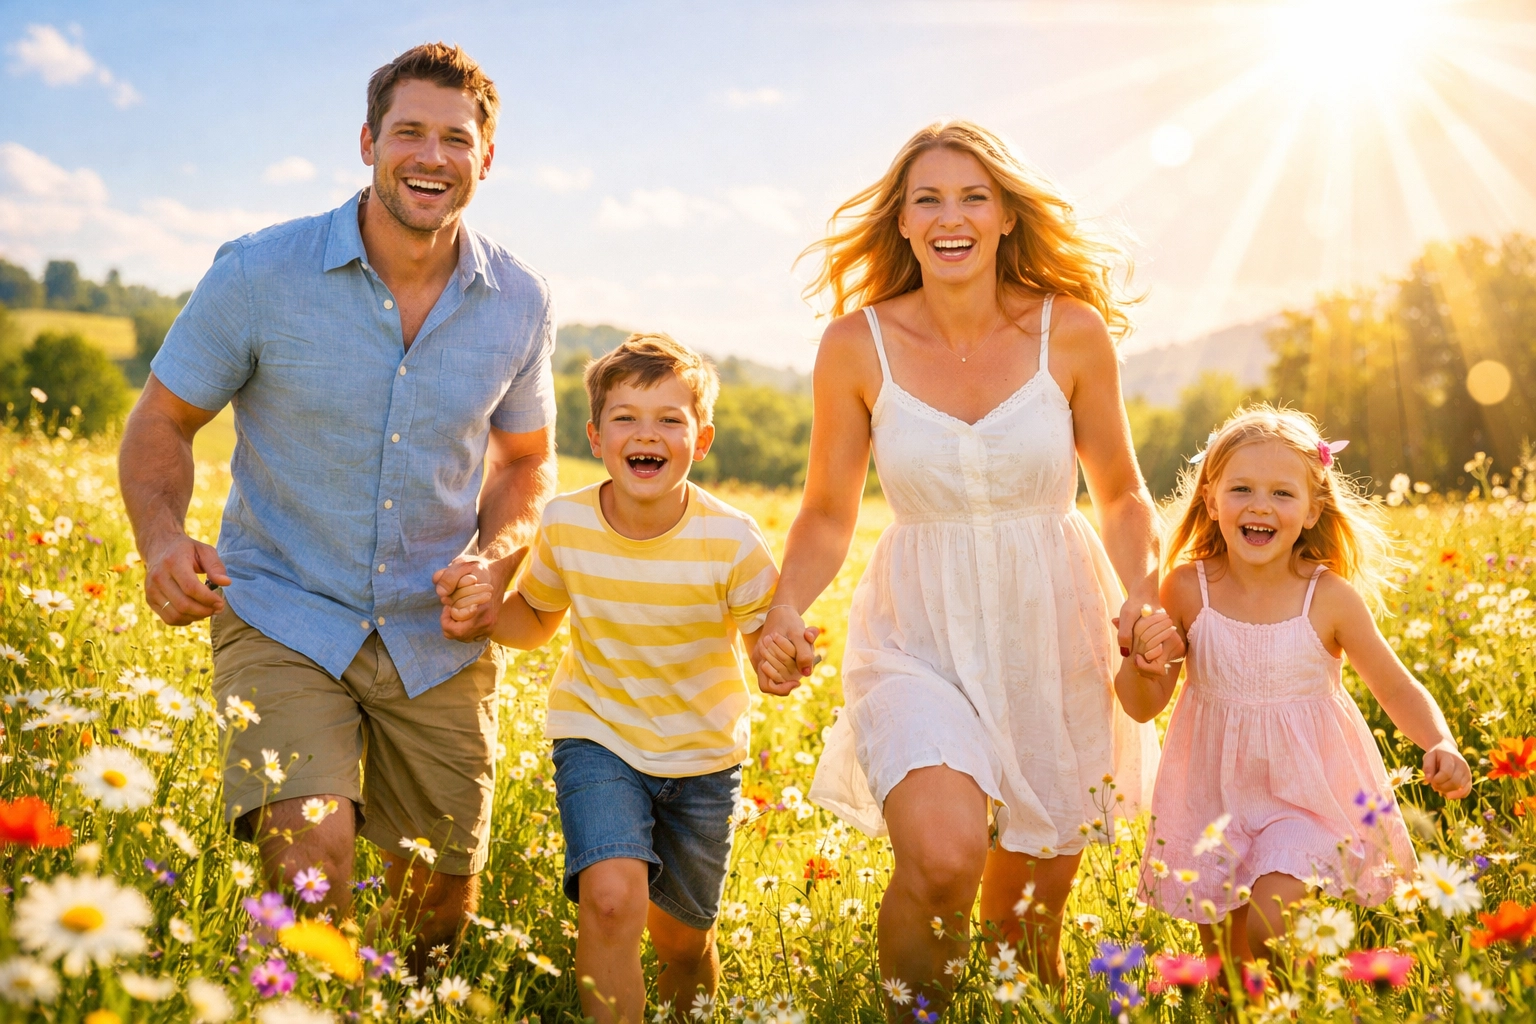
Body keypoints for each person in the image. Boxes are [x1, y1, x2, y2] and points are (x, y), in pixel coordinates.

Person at [117, 43, 557, 966]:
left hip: (436, 632)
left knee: (433, 916)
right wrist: (161, 539)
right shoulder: (258, 273)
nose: (431, 156)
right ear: (367, 142)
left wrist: (497, 558)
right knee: (310, 862)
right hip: (284, 608)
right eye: (409, 132)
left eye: (455, 138)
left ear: (486, 158)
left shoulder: (520, 300)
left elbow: (526, 462)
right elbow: (162, 420)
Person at [753, 121, 1168, 1013]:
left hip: (1055, 628)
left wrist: (1143, 592)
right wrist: (784, 606)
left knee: (1026, 935)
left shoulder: (1071, 332)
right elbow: (827, 509)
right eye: (928, 200)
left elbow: (1123, 493)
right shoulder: (856, 345)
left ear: (1007, 216)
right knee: (943, 862)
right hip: (918, 635)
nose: (952, 218)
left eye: (974, 197)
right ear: (901, 222)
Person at [450, 335, 780, 1024]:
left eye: (669, 419)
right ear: (597, 438)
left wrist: (780, 658)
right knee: (609, 901)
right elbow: (536, 617)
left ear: (701, 440)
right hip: (597, 736)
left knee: (681, 943)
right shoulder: (567, 521)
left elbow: (763, 639)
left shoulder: (734, 539)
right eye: (625, 417)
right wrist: (486, 614)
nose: (646, 434)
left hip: (702, 756)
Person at [1122, 405, 1471, 964]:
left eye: (1282, 493)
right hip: (1213, 799)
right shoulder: (1187, 590)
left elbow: (1394, 687)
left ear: (1312, 510)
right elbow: (1144, 706)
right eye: (1242, 488)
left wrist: (1440, 740)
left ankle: (1296, 988)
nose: (1261, 505)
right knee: (1229, 973)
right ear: (1211, 499)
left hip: (1306, 799)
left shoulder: (1328, 598)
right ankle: (1281, 1001)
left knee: (1271, 926)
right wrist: (1140, 666)